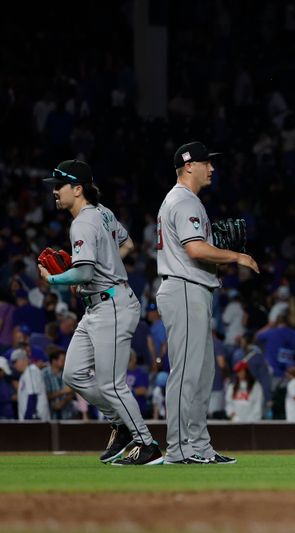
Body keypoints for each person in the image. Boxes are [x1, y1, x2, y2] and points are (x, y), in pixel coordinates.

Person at [39, 159, 161, 465]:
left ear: (77, 189)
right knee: (74, 373)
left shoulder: (82, 221)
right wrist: (105, 264)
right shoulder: (103, 212)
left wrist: (52, 279)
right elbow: (128, 245)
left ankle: (147, 445)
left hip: (112, 304)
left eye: (60, 186)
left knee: (111, 384)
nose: (54, 191)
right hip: (98, 305)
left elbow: (82, 274)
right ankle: (120, 424)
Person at [157, 141, 260, 464]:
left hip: (193, 290)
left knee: (201, 375)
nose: (211, 168)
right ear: (189, 166)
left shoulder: (186, 201)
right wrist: (236, 256)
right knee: (186, 373)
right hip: (184, 289)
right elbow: (195, 250)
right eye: (205, 163)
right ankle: (177, 448)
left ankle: (199, 446)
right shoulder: (183, 200)